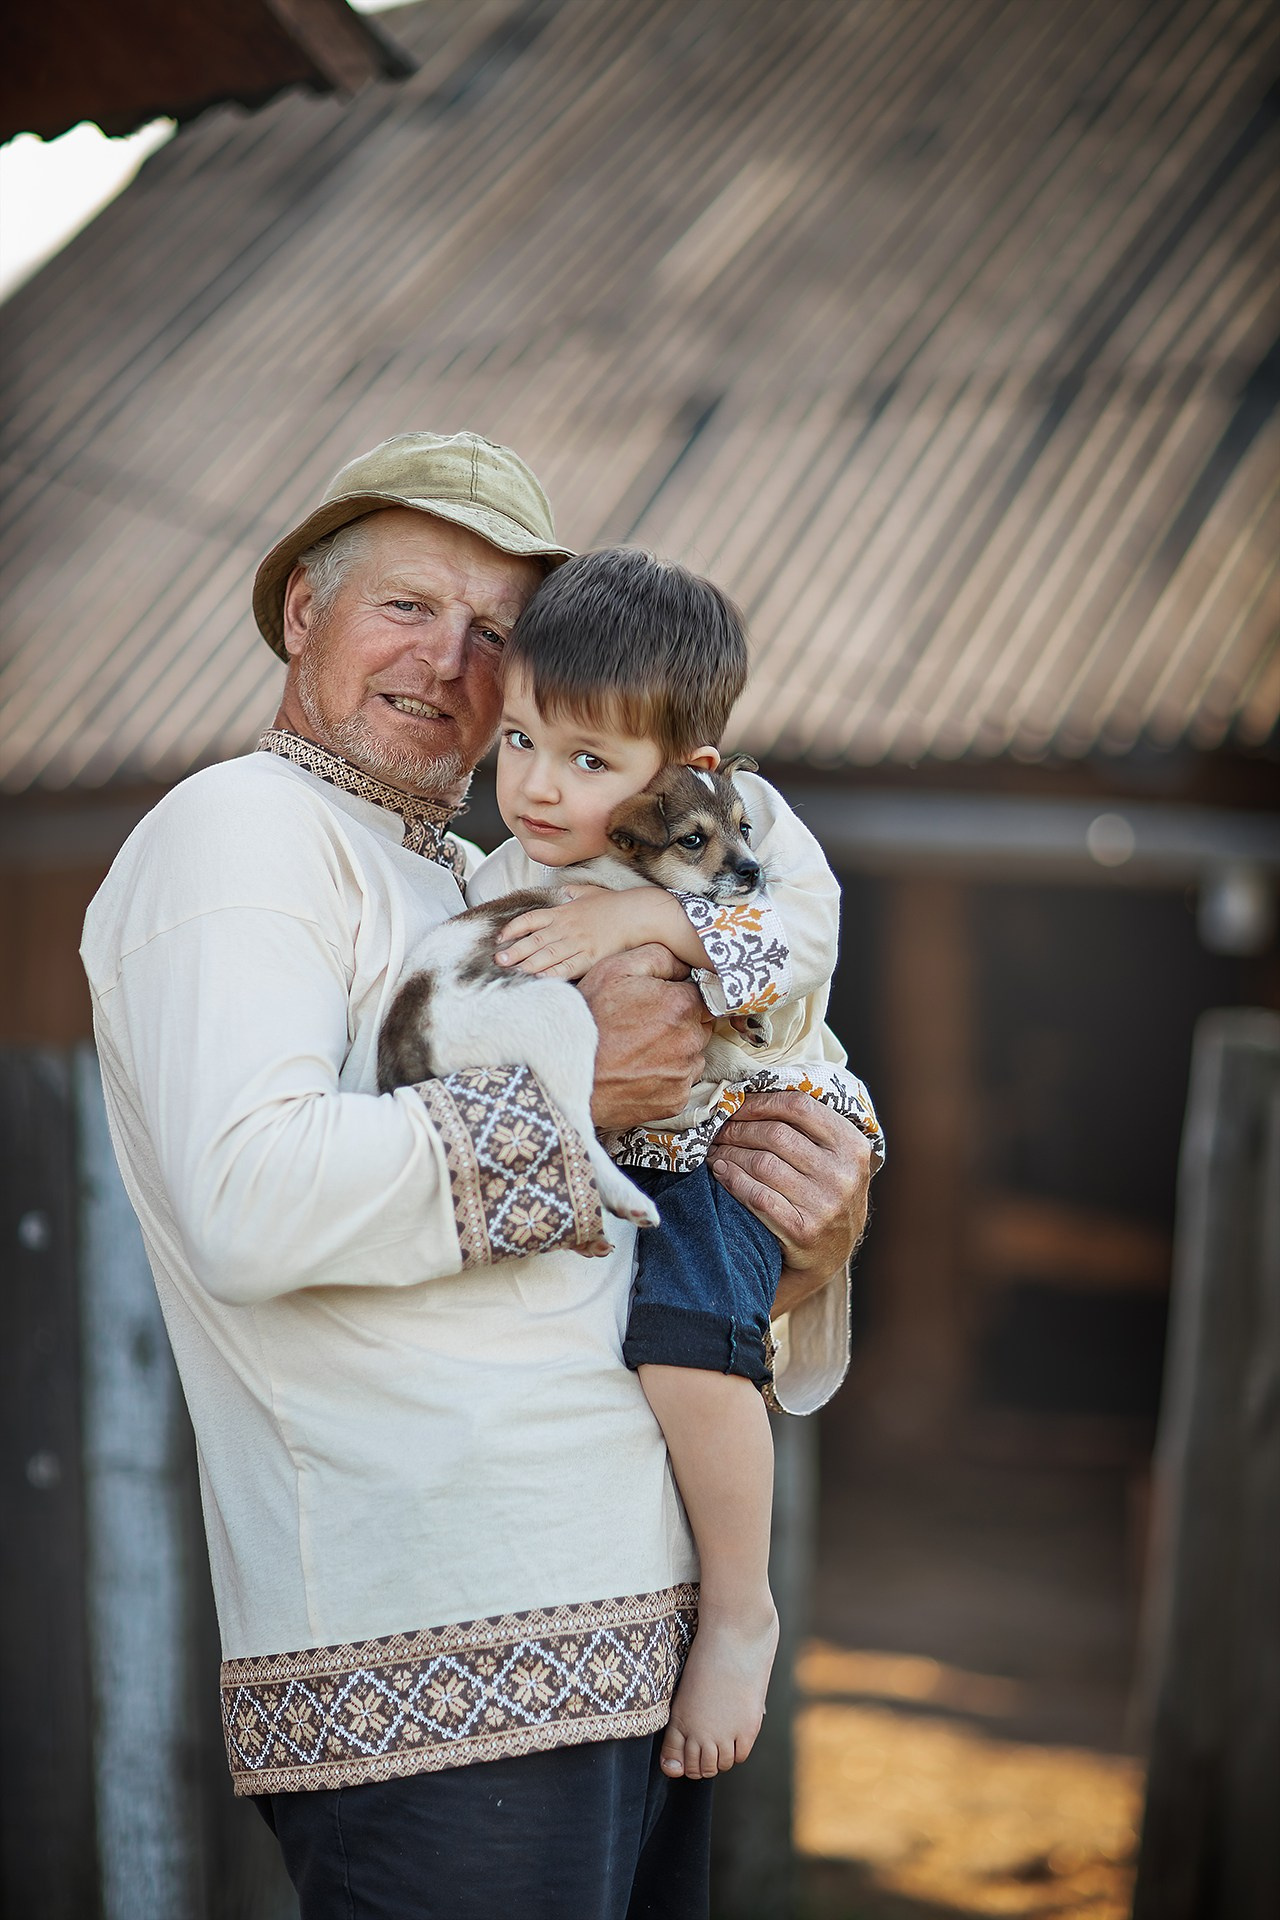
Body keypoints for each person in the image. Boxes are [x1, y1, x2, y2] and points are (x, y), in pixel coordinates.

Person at [80, 431, 877, 1920]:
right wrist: (579, 1102)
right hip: (444, 1663)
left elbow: (650, 1157)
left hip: (623, 1648)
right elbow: (249, 1199)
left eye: (494, 629)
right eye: (408, 606)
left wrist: (809, 1217)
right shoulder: (235, 832)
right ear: (302, 612)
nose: (452, 660)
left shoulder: (480, 872)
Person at [466, 546, 882, 1784]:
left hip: (751, 1126)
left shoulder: (742, 820)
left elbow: (804, 934)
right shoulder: (498, 876)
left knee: (684, 1341)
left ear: (687, 771)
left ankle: (741, 1608)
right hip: (627, 1155)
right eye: (521, 740)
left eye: (590, 761)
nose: (540, 788)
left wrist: (643, 918)